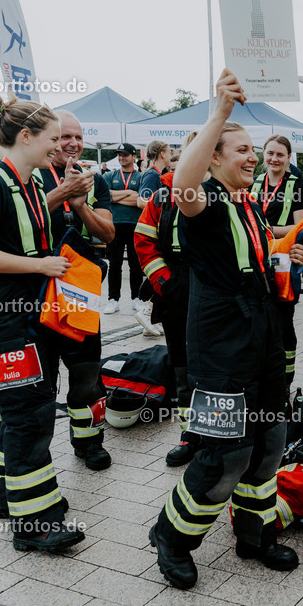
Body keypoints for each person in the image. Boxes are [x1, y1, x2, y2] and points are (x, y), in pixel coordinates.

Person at [149, 68, 303, 589]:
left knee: (267, 444)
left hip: (262, 342)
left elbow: (255, 264)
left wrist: (288, 254)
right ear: (214, 156)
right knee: (225, 456)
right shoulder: (208, 204)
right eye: (239, 150)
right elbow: (183, 186)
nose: (253, 158)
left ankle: (253, 533)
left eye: (253, 150)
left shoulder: (249, 205)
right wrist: (219, 114)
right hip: (220, 350)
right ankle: (171, 539)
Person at [0, 95, 84, 552]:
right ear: (26, 136)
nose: (59, 148)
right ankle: (34, 527)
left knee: (30, 414)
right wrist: (40, 268)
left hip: (30, 317)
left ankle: (19, 499)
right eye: (53, 139)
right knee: (27, 419)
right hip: (1, 321)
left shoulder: (31, 185)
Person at [0, 110, 116, 474]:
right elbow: (16, 220)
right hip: (32, 294)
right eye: (62, 137)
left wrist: (80, 204)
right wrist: (62, 192)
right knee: (24, 379)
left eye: (76, 138)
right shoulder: (27, 173)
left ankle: (89, 443)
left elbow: (108, 235)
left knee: (87, 374)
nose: (69, 144)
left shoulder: (91, 177)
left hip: (77, 291)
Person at [135, 138, 196, 466]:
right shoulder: (163, 194)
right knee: (183, 368)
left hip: (221, 297)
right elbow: (143, 238)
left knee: (219, 368)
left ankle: (222, 435)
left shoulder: (233, 194)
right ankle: (189, 435)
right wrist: (165, 281)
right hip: (176, 292)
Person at [250, 134, 303, 387]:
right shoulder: (253, 183)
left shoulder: (298, 186)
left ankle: (284, 381)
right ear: (263, 154)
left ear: (288, 158)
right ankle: (260, 376)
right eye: (270, 153)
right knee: (258, 319)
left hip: (284, 264)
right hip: (256, 263)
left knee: (283, 323)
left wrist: (264, 229)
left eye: (280, 154)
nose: (274, 159)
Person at [134, 140, 174, 336]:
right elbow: (142, 201)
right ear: (161, 154)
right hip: (156, 230)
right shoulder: (152, 174)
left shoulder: (158, 174)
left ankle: (151, 315)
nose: (170, 154)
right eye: (168, 151)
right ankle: (147, 311)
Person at [103, 142, 144, 314]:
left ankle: (137, 298)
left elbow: (139, 200)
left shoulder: (141, 177)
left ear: (134, 157)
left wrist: (116, 196)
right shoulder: (110, 175)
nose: (121, 157)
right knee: (114, 264)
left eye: (125, 154)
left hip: (135, 225)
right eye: (119, 154)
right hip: (114, 225)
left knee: (136, 264)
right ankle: (113, 299)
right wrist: (129, 193)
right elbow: (106, 196)